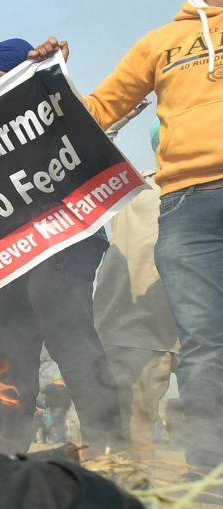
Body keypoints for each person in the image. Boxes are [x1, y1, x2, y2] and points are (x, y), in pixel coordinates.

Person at [31, 0, 223, 472]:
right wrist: (51, 75)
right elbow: (97, 114)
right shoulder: (161, 43)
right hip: (188, 206)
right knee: (206, 340)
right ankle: (210, 472)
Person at [0, 38, 124, 457]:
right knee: (11, 345)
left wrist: (53, 73)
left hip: (67, 238)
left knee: (69, 335)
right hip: (22, 251)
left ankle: (107, 440)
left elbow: (84, 123)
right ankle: (9, 444)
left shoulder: (51, 106)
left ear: (6, 71)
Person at [94, 119, 179, 449]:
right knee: (133, 429)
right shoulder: (132, 186)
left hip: (185, 327)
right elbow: (92, 151)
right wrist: (117, 117)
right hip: (137, 326)